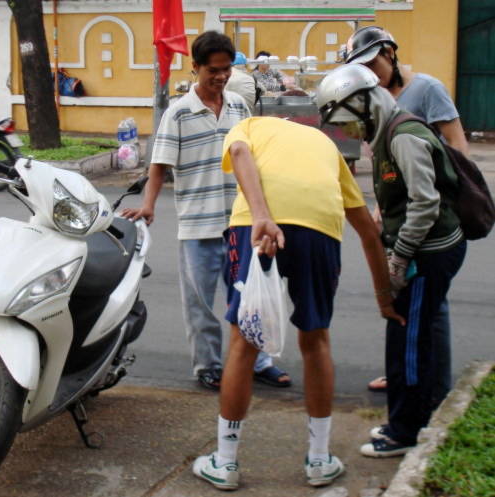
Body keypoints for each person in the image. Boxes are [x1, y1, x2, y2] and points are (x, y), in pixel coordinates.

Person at [191, 114, 403, 490]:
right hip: (319, 229)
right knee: (315, 338)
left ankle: (224, 463)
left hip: (254, 225)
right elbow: (368, 233)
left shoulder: (252, 124)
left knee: (243, 342)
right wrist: (385, 299)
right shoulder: (326, 146)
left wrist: (262, 216)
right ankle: (319, 460)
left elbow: (238, 151)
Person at [121, 31, 291, 391]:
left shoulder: (238, 107)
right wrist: (148, 206)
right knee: (200, 304)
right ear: (195, 67)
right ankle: (208, 366)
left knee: (249, 297)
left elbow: (254, 162)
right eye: (213, 70)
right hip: (198, 226)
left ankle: (259, 361)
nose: (221, 76)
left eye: (227, 69)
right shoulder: (178, 113)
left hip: (240, 223)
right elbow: (159, 166)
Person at [317, 63, 467, 457]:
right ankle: (430, 413)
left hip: (427, 253)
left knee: (410, 341)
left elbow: (425, 204)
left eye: (350, 122)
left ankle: (406, 431)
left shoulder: (403, 136)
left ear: (365, 104)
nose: (351, 133)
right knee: (418, 333)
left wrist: (398, 258)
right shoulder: (387, 129)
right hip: (424, 249)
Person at [344, 26, 468, 395]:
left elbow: (456, 145)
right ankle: (403, 370)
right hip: (397, 216)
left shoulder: (426, 89)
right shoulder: (371, 97)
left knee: (431, 307)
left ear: (391, 54)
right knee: (407, 303)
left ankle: (434, 383)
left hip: (429, 214)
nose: (372, 73)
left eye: (374, 63)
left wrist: (449, 202)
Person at [225, 51, 262, 115]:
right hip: (247, 116)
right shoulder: (250, 77)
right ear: (245, 64)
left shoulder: (225, 77)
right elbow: (263, 90)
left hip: (229, 116)